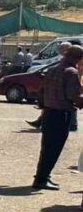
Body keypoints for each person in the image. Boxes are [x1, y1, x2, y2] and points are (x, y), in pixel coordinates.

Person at [32, 45, 83, 190]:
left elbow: (41, 91)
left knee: (46, 147)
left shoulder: (52, 69)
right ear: (78, 58)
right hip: (61, 114)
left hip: (49, 113)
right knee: (54, 149)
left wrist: (43, 106)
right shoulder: (71, 72)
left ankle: (42, 176)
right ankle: (41, 179)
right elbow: (73, 96)